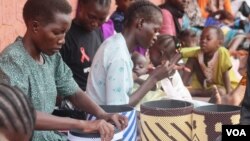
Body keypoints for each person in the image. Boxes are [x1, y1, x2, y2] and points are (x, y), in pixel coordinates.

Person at [0, 0, 128, 141]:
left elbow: (73, 91)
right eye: (57, 33)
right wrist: (82, 124)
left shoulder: (51, 57)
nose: (62, 40)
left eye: (65, 33)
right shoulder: (13, 60)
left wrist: (102, 114)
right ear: (35, 26)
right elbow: (19, 115)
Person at [86, 1, 180, 106]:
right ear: (140, 23)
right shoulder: (119, 54)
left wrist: (144, 78)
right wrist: (154, 78)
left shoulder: (118, 45)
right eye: (155, 30)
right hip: (101, 120)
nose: (156, 36)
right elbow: (119, 107)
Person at [60, 0, 111, 91]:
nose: (95, 23)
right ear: (82, 6)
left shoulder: (97, 31)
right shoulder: (66, 36)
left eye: (101, 19)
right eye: (91, 17)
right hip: (75, 98)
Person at [181, 26, 240, 97]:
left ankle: (192, 92)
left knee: (220, 92)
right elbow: (180, 52)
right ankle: (181, 88)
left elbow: (225, 75)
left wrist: (229, 94)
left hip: (227, 86)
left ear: (219, 43)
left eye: (208, 39)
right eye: (201, 38)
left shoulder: (222, 51)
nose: (203, 41)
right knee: (192, 59)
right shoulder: (198, 52)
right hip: (210, 85)